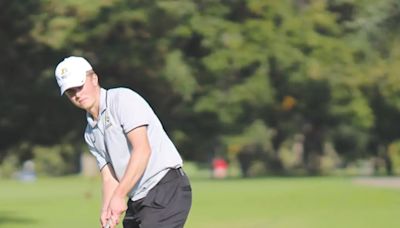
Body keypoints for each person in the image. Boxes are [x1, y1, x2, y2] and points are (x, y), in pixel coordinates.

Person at [54, 56, 192, 228]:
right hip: (138, 198)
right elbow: (110, 177)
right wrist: (107, 209)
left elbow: (142, 150)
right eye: (70, 91)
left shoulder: (122, 100)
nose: (77, 95)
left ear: (94, 79)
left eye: (80, 86)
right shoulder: (90, 133)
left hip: (165, 189)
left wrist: (119, 196)